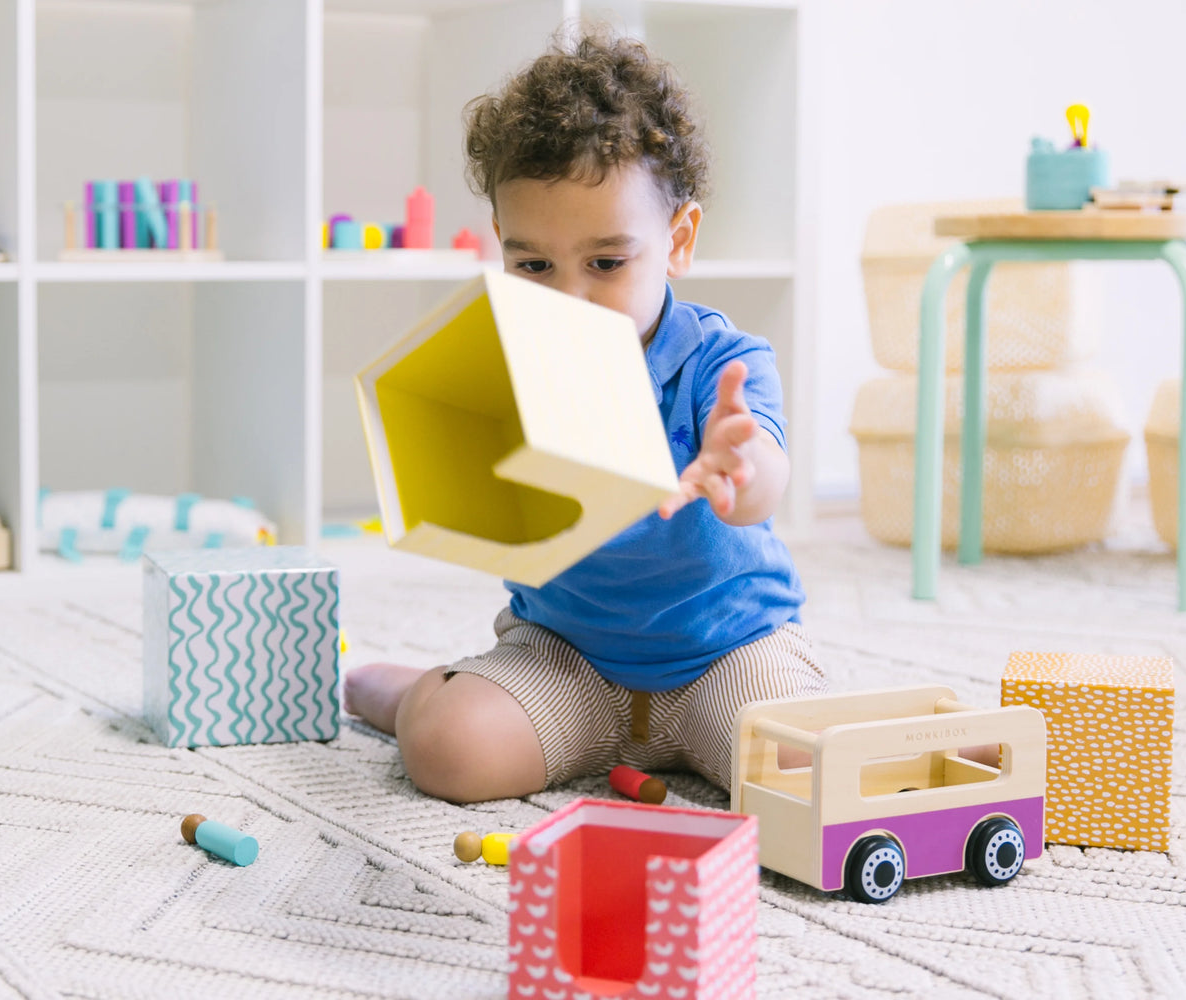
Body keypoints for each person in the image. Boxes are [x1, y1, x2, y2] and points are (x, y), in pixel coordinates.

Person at [344, 28, 825, 803]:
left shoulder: (720, 361)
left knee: (808, 773)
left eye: (606, 262)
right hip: (566, 658)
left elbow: (764, 478)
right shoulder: (506, 361)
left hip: (727, 655)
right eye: (534, 265)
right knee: (447, 751)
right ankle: (407, 692)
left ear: (677, 241)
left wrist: (741, 466)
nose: (569, 298)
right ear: (501, 245)